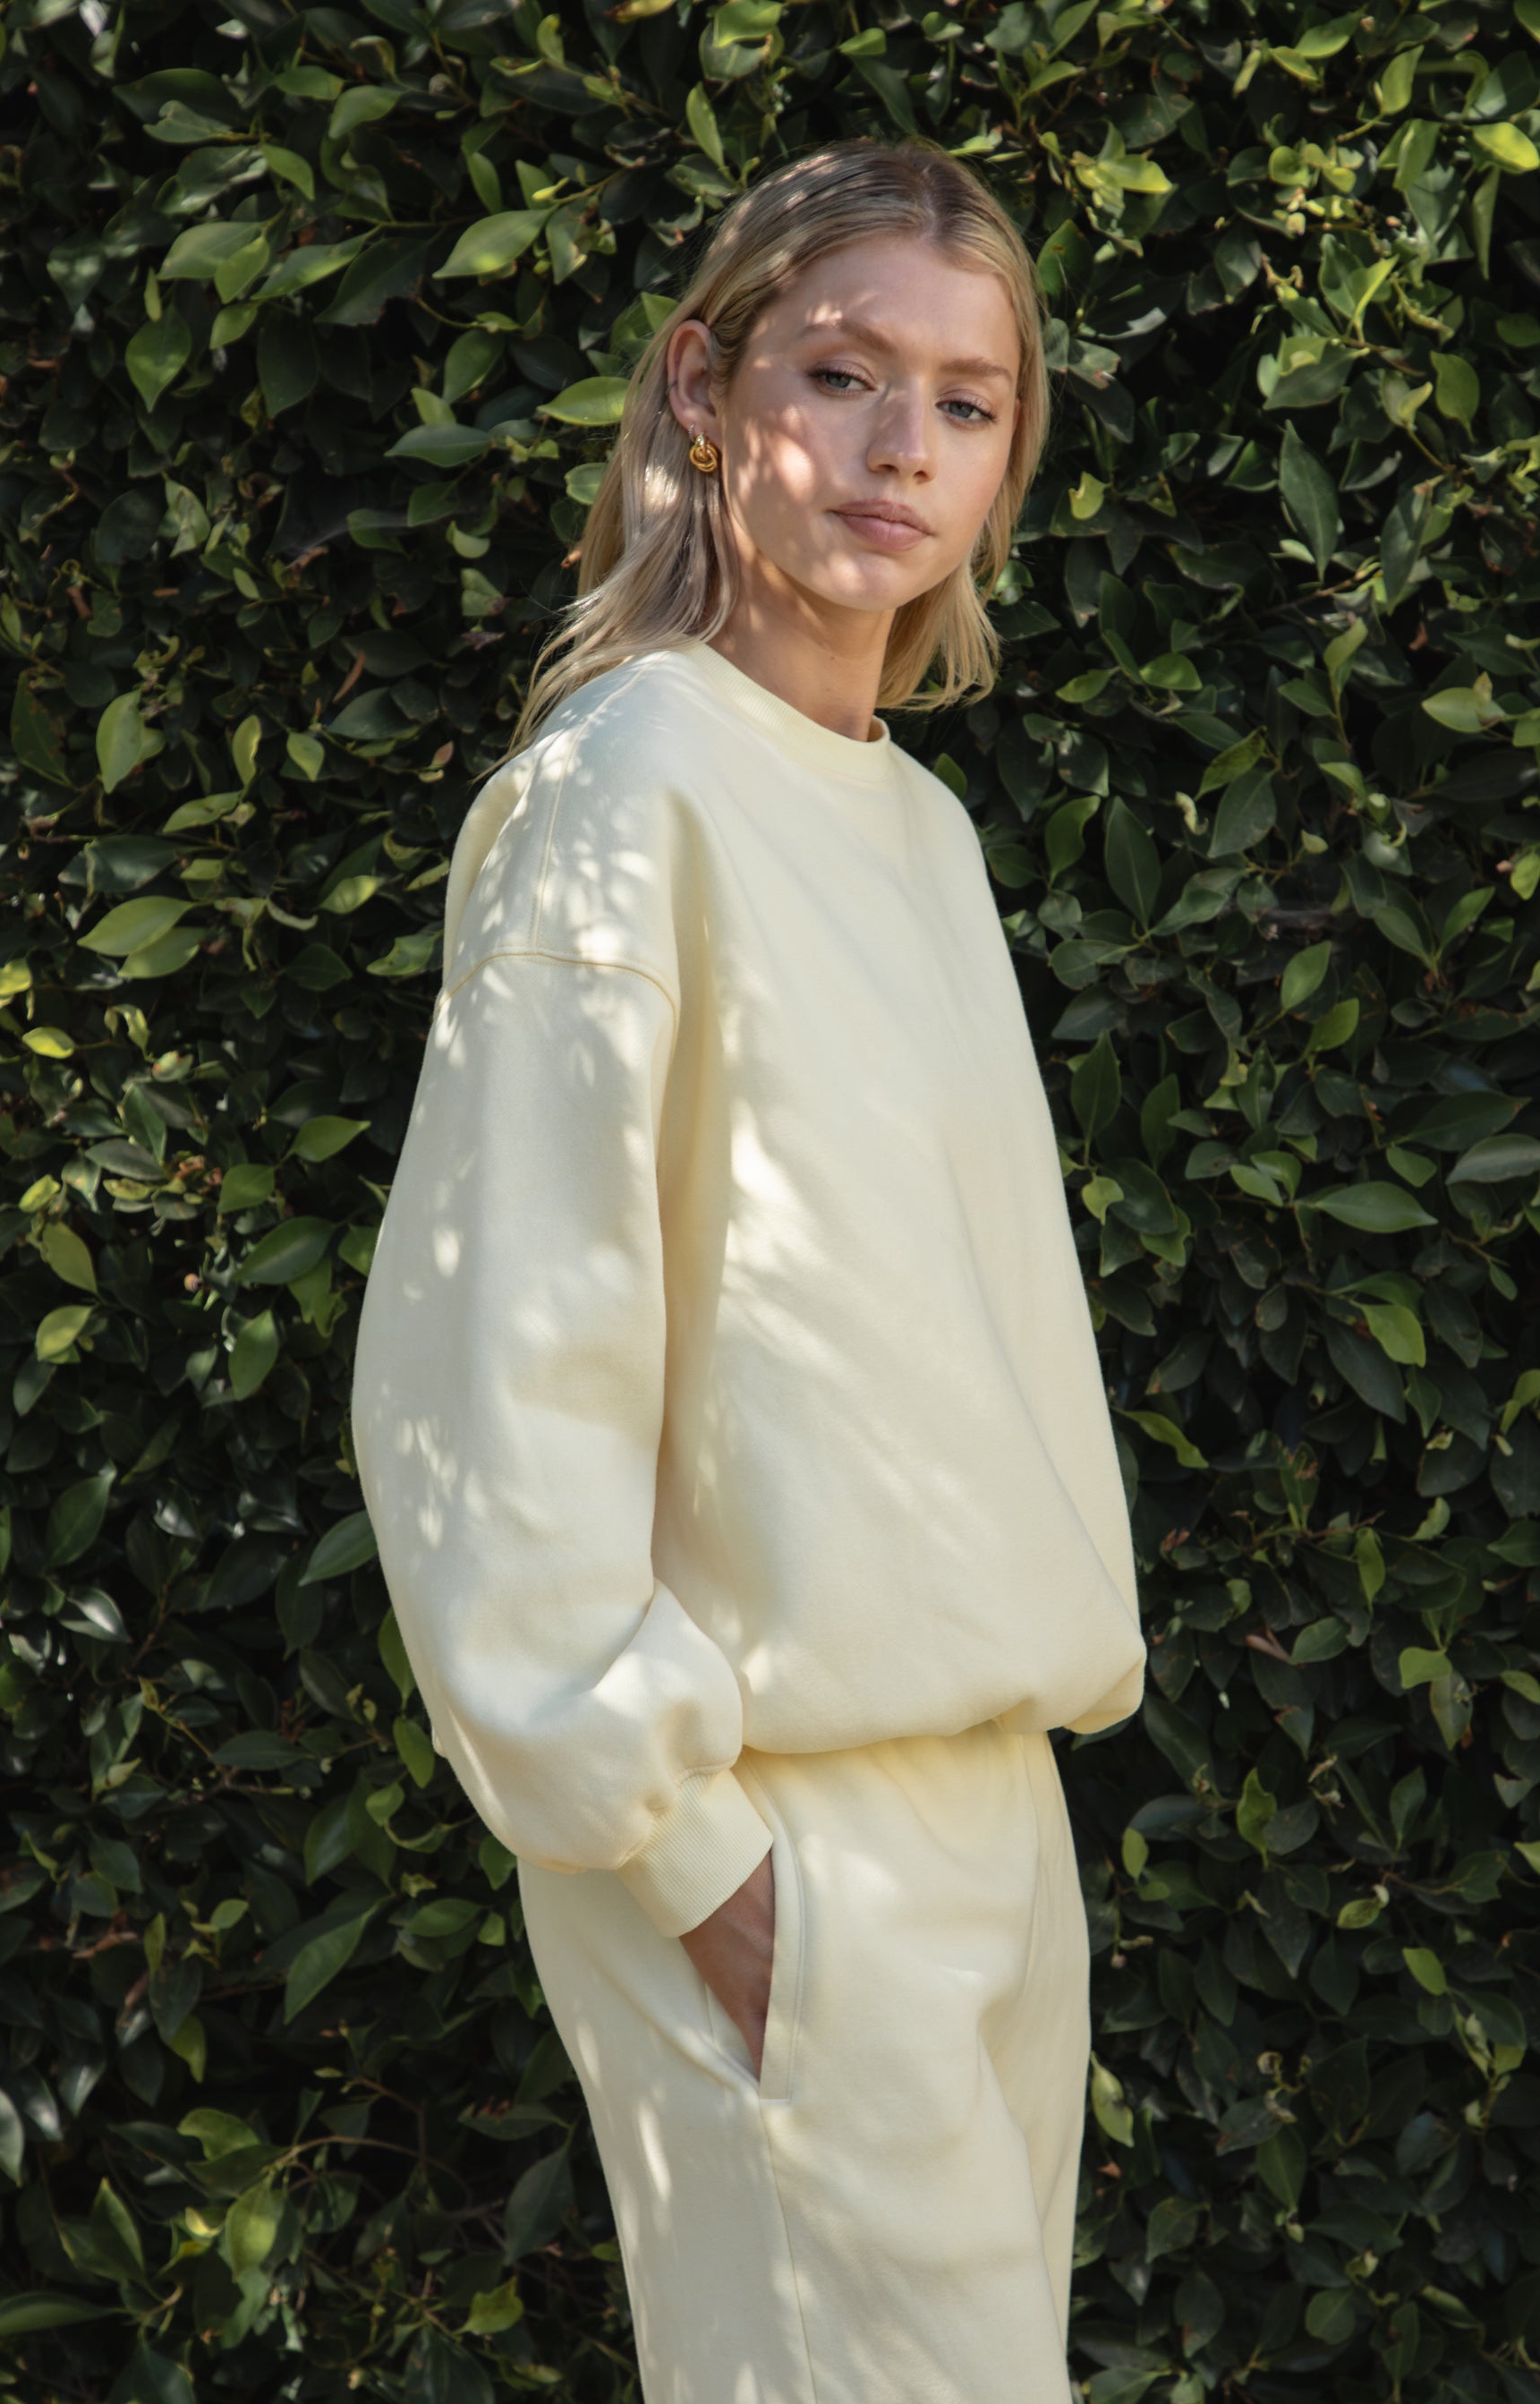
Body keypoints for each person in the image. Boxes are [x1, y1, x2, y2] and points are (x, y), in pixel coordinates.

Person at [351, 132, 1146, 2404]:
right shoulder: (628, 793)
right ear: (707, 389)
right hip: (772, 1832)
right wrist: (682, 1845)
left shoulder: (917, 820)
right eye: (845, 369)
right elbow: (498, 1361)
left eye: (968, 402)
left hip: (989, 1804)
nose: (903, 447)